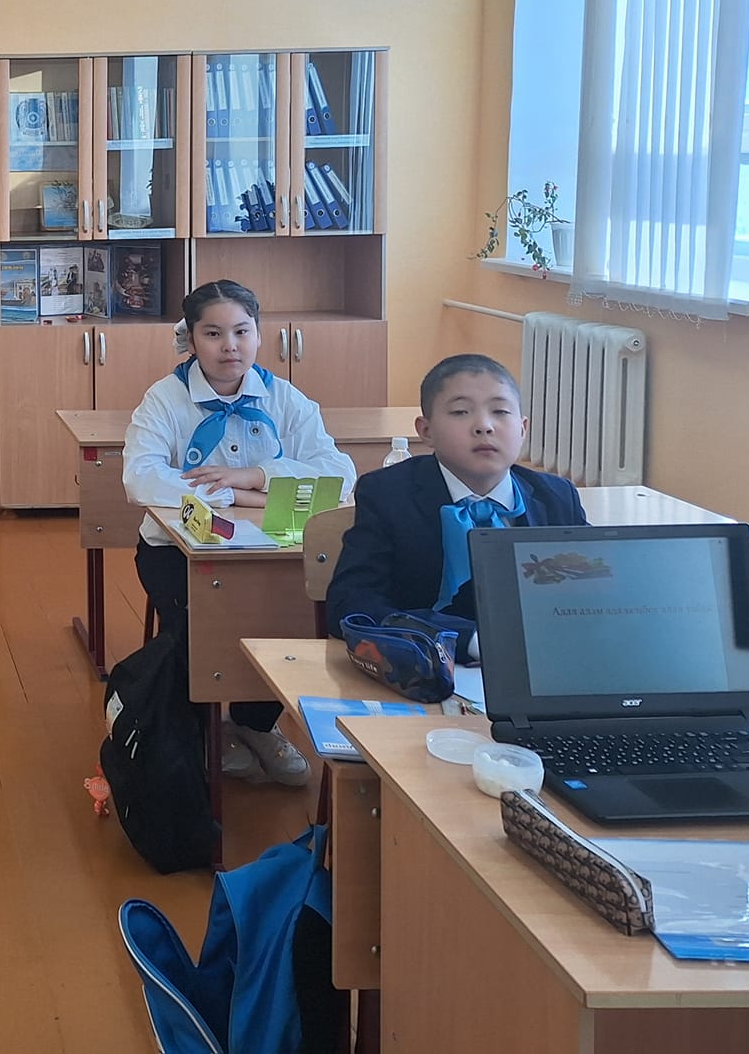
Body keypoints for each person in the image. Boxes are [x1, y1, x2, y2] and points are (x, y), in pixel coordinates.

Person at [123, 280, 356, 786]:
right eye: (213, 333)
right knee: (201, 630)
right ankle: (201, 730)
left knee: (294, 619)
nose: (230, 346)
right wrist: (234, 496)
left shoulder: (283, 397)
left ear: (258, 334)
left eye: (242, 331)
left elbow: (339, 475)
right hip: (176, 551)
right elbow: (140, 477)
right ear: (191, 340)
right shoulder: (166, 399)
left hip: (274, 545)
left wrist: (256, 477)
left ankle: (254, 724)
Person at [325, 353, 586, 643]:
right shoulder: (388, 495)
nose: (484, 426)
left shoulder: (557, 498)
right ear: (426, 431)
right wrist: (469, 641)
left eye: (500, 411)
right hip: (432, 662)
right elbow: (351, 604)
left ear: (522, 429)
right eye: (461, 412)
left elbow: (593, 593)